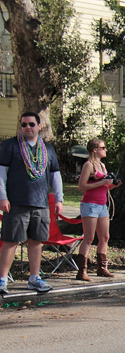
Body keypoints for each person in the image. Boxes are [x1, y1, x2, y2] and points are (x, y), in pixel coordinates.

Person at [0, 112, 63, 294]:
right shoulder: (10, 146)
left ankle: (34, 278)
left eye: (31, 124)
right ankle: (3, 279)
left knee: (36, 241)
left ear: (39, 126)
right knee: (11, 241)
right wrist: (2, 197)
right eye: (24, 125)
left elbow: (55, 175)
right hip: (16, 202)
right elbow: (1, 174)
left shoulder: (48, 149)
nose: (28, 127)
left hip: (40, 203)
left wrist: (59, 199)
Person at [75, 138, 118, 281]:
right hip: (90, 204)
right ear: (95, 150)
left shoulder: (102, 166)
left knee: (105, 237)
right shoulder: (89, 165)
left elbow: (103, 185)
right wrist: (102, 182)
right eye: (103, 147)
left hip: (102, 204)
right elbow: (81, 186)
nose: (105, 150)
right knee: (89, 237)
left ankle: (102, 267)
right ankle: (82, 271)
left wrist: (111, 184)